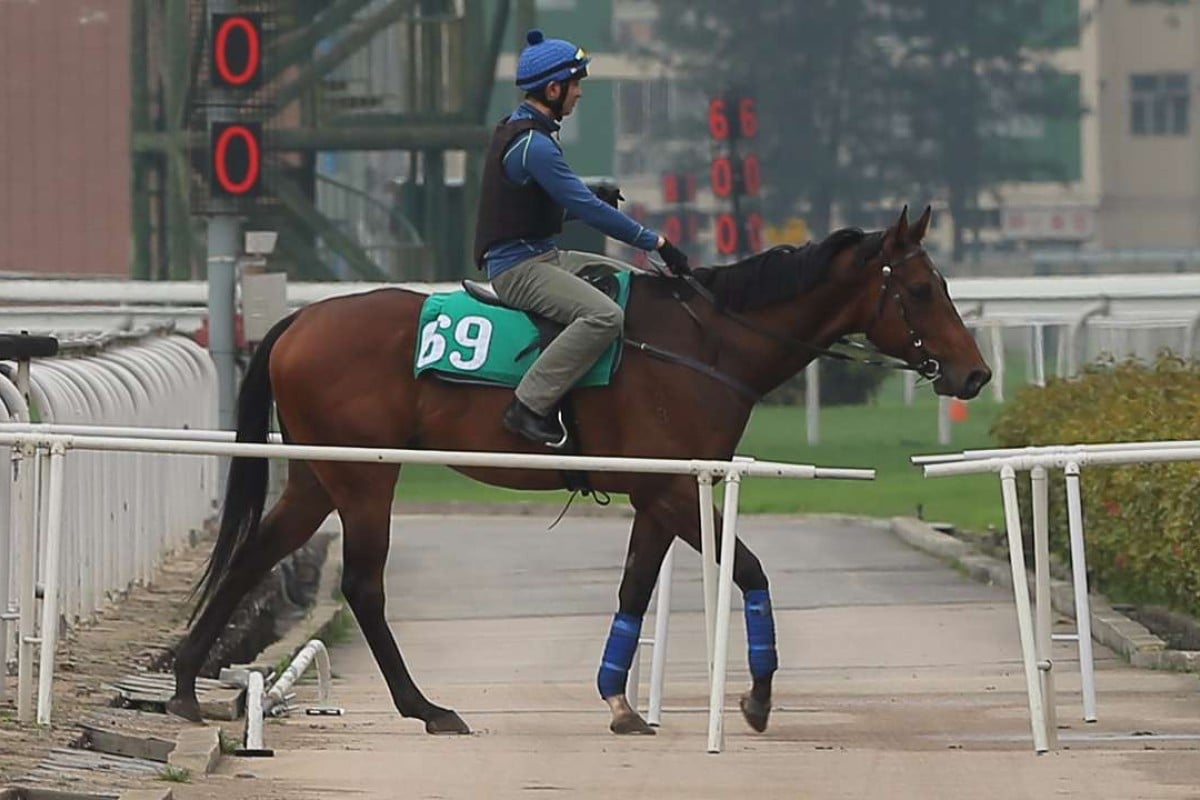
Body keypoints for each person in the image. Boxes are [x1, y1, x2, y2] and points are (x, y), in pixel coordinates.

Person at [474, 28, 691, 448]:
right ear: (553, 89)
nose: (579, 93)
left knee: (636, 285)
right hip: (518, 270)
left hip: (543, 257)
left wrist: (591, 198)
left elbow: (542, 204)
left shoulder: (528, 131)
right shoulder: (534, 145)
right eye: (575, 84)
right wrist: (656, 243)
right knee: (605, 316)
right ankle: (528, 406)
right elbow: (590, 212)